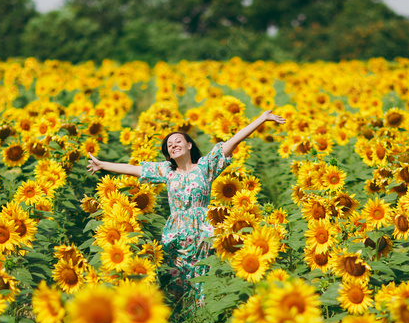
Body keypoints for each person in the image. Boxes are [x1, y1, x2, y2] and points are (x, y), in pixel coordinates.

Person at [88, 108, 286, 305]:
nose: (173, 145)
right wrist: (102, 165)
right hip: (177, 234)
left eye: (178, 141)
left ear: (189, 145)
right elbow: (134, 169)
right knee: (177, 282)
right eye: (169, 145)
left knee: (204, 278)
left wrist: (262, 118)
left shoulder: (205, 167)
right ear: (168, 153)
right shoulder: (166, 171)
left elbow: (233, 141)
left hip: (203, 233)